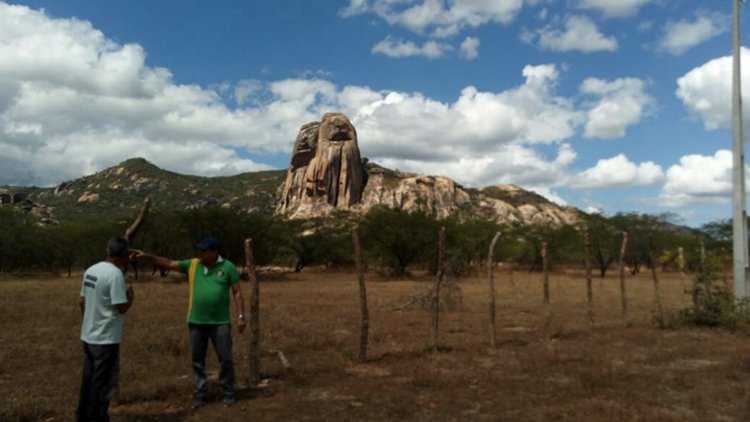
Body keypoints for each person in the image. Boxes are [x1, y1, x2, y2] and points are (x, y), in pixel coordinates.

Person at [132, 236, 246, 409]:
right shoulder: (193, 264)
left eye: (203, 250)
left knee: (225, 359)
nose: (200, 253)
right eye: (199, 250)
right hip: (196, 322)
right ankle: (200, 394)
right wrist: (147, 256)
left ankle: (228, 393)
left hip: (220, 322)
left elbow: (237, 292)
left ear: (215, 252)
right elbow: (169, 263)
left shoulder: (228, 267)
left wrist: (241, 316)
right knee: (197, 360)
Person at [77, 236, 134, 422]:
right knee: (102, 383)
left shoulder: (91, 270)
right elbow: (121, 307)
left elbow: (82, 301)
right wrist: (130, 298)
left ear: (107, 251)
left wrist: (89, 320)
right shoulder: (115, 275)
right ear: (124, 254)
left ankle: (83, 415)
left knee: (88, 379)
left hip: (88, 335)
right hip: (106, 338)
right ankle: (97, 417)